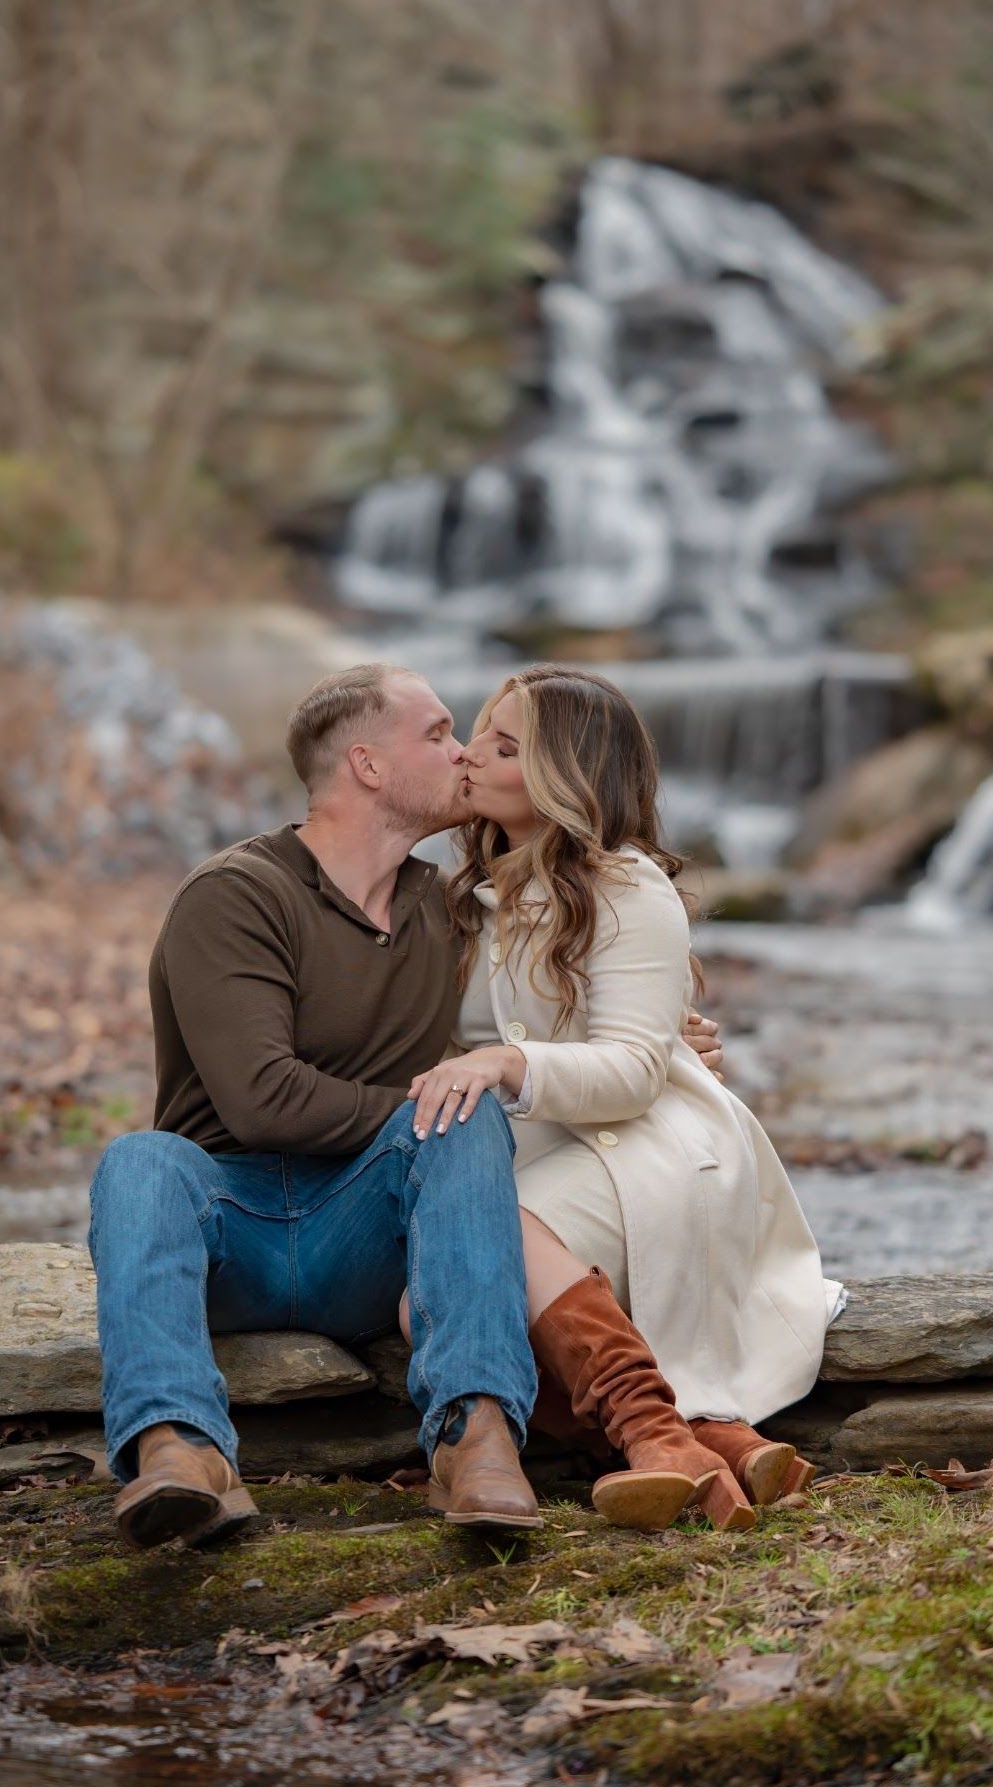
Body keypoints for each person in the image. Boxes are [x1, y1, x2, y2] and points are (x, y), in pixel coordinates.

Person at [89, 665, 550, 1548]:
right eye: (439, 733)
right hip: (235, 1231)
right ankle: (180, 1448)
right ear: (368, 765)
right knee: (140, 1160)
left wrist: (670, 1043)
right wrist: (422, 1101)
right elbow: (262, 1102)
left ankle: (475, 1436)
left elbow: (547, 1007)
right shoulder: (235, 895)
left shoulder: (450, 910)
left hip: (366, 1235)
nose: (463, 753)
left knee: (466, 1110)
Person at [405, 663, 844, 1534]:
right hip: (560, 1153)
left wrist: (505, 1062)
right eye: (473, 737)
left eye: (501, 744)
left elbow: (635, 1075)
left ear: (564, 773)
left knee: (486, 1243)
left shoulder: (626, 887)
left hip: (653, 1145)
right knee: (426, 1295)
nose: (468, 756)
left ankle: (653, 1441)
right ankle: (711, 1438)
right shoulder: (472, 895)